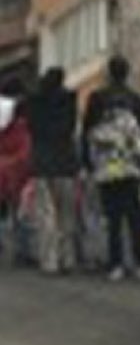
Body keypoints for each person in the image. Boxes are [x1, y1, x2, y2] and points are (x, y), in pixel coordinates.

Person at [82, 59, 140, 283]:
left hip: (107, 165)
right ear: (127, 73)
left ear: (108, 73)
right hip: (131, 164)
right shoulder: (136, 99)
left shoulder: (96, 98)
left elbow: (87, 131)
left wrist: (88, 162)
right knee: (135, 215)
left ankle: (116, 263)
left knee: (112, 216)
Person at [27, 68, 80, 275]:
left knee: (46, 214)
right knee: (67, 214)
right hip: (65, 162)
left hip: (42, 163)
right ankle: (67, 258)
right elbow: (70, 127)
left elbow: (32, 129)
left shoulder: (35, 101)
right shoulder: (69, 100)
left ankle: (50, 260)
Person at [0, 83, 31, 264]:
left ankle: (18, 249)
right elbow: (25, 151)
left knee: (10, 212)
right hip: (17, 174)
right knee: (20, 213)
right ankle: (22, 251)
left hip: (8, 172)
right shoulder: (22, 127)